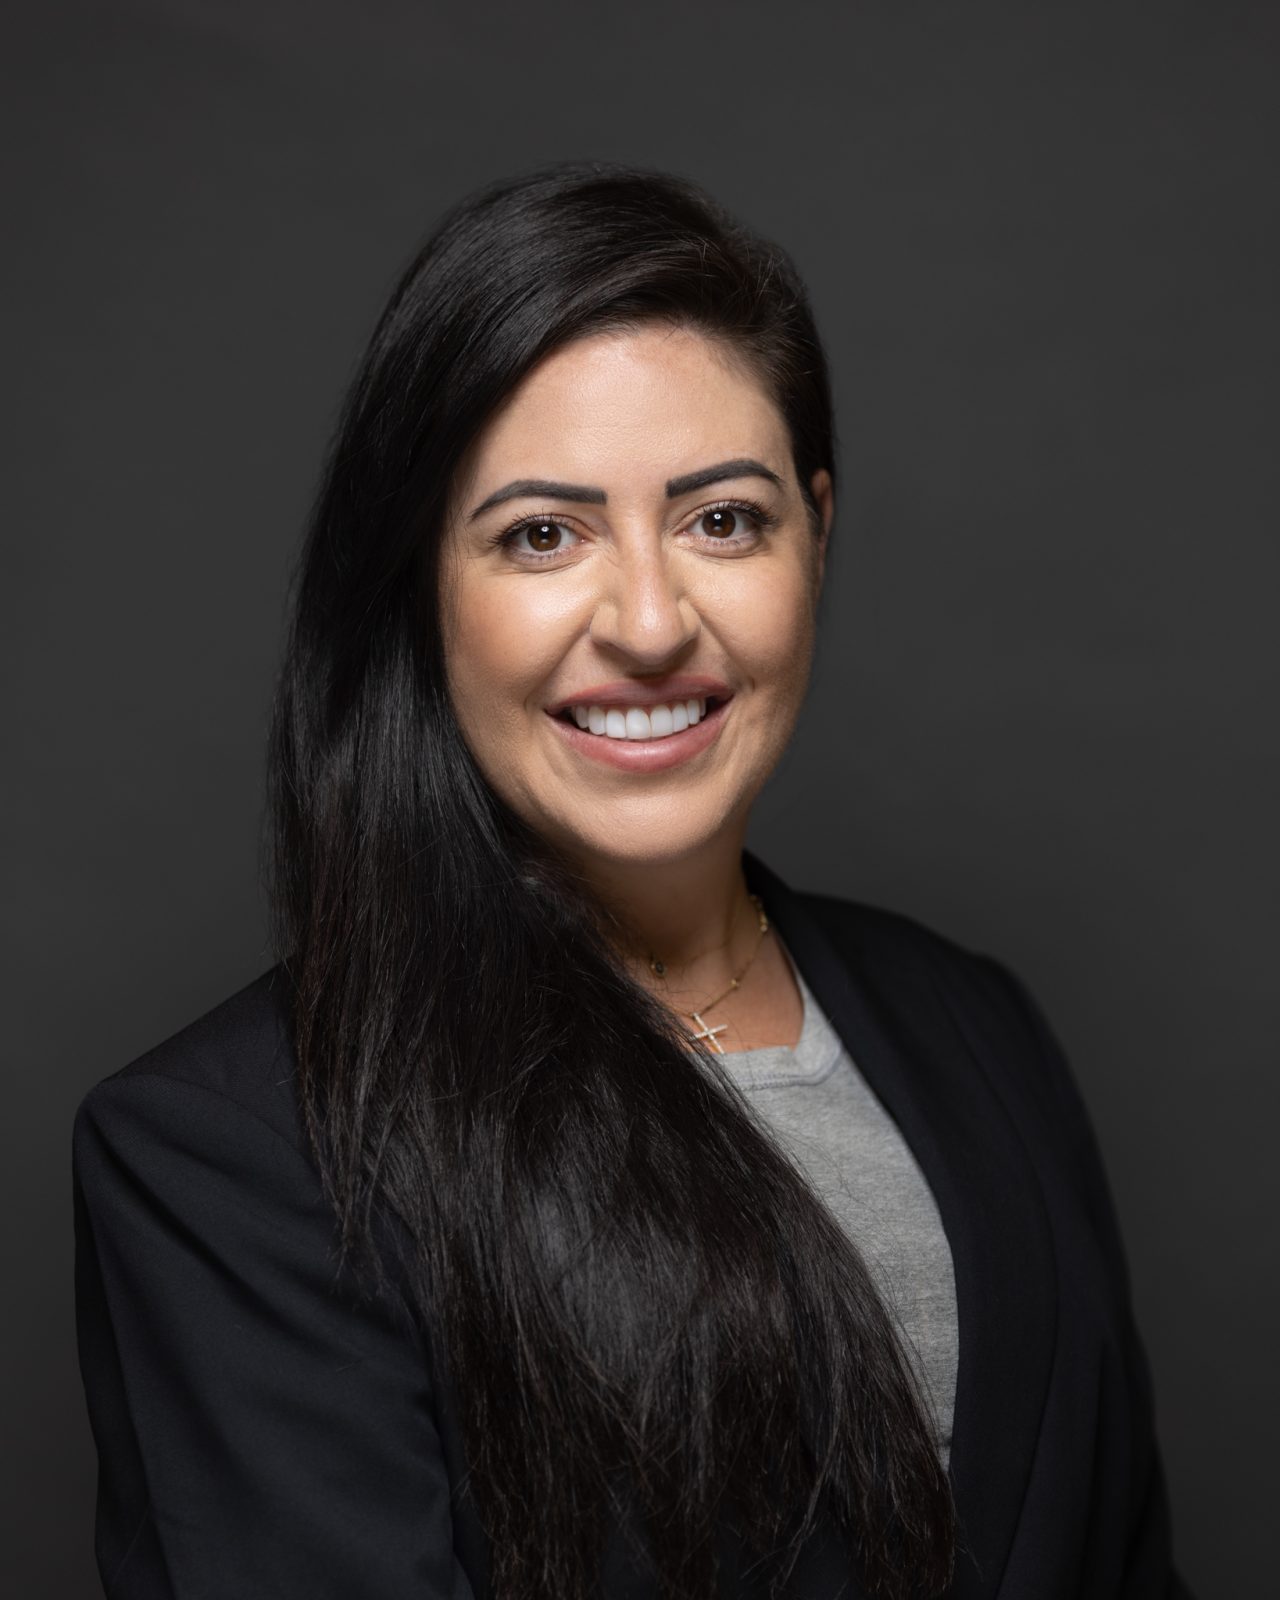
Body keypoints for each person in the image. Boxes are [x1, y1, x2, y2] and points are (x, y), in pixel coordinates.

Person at [72, 160, 1190, 1600]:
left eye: (723, 519)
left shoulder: (980, 1028)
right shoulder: (239, 1157)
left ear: (818, 532)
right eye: (543, 535)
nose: (653, 621)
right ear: (419, 587)